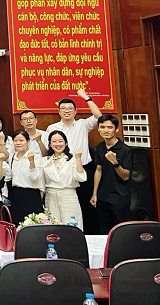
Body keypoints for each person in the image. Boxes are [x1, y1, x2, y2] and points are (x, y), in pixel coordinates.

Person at [46, 89, 102, 233]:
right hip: (63, 172)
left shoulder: (83, 124)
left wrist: (86, 97)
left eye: (70, 108)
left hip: (83, 168)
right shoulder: (52, 128)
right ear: (58, 111)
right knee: (67, 208)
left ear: (75, 111)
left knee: (87, 206)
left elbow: (98, 116)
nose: (67, 111)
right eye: (63, 108)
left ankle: (87, 237)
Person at [91, 115, 132, 234]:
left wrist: (115, 163)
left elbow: (125, 176)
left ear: (116, 129)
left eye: (110, 127)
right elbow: (98, 170)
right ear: (98, 129)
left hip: (119, 197)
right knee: (104, 230)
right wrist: (94, 194)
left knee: (121, 232)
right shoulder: (99, 147)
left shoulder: (125, 149)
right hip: (103, 197)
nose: (106, 130)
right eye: (102, 127)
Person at [43, 131, 87, 229]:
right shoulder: (45, 160)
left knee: (71, 225)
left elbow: (81, 178)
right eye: (54, 141)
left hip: (68, 194)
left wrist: (78, 159)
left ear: (66, 143)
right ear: (50, 144)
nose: (57, 144)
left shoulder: (72, 159)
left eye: (60, 141)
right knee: (53, 226)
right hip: (50, 195)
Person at [9, 130, 44, 225]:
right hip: (16, 195)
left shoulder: (36, 157)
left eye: (21, 140)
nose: (18, 143)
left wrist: (31, 161)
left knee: (33, 224)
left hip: (31, 195)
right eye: (15, 140)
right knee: (17, 223)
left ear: (28, 141)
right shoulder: (12, 157)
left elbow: (35, 178)